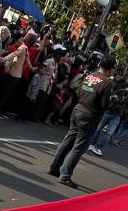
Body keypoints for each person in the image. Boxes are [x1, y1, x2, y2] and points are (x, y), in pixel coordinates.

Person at [47, 56, 116, 188]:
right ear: (110, 69)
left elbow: (79, 91)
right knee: (79, 147)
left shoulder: (90, 76)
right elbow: (104, 104)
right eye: (114, 68)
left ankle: (54, 168)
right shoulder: (107, 83)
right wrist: (112, 101)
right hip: (90, 115)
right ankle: (65, 175)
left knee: (68, 140)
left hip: (77, 109)